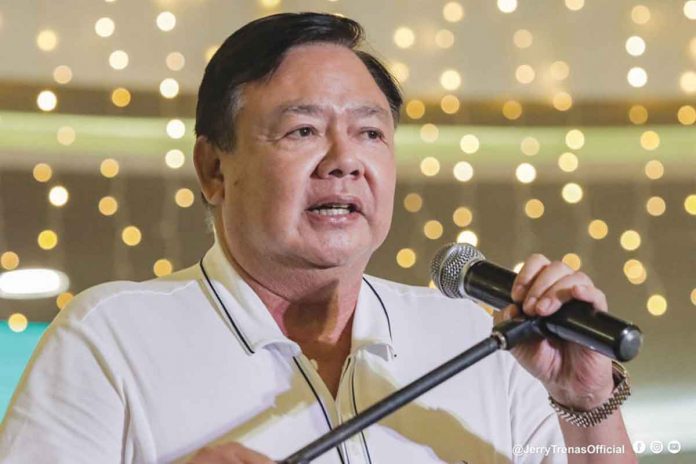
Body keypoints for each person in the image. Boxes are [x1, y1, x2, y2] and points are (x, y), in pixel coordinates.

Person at [0, 12, 636, 464]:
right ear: (214, 169)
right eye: (303, 131)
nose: (345, 161)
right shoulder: (110, 338)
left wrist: (588, 405)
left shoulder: (482, 340)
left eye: (370, 133)